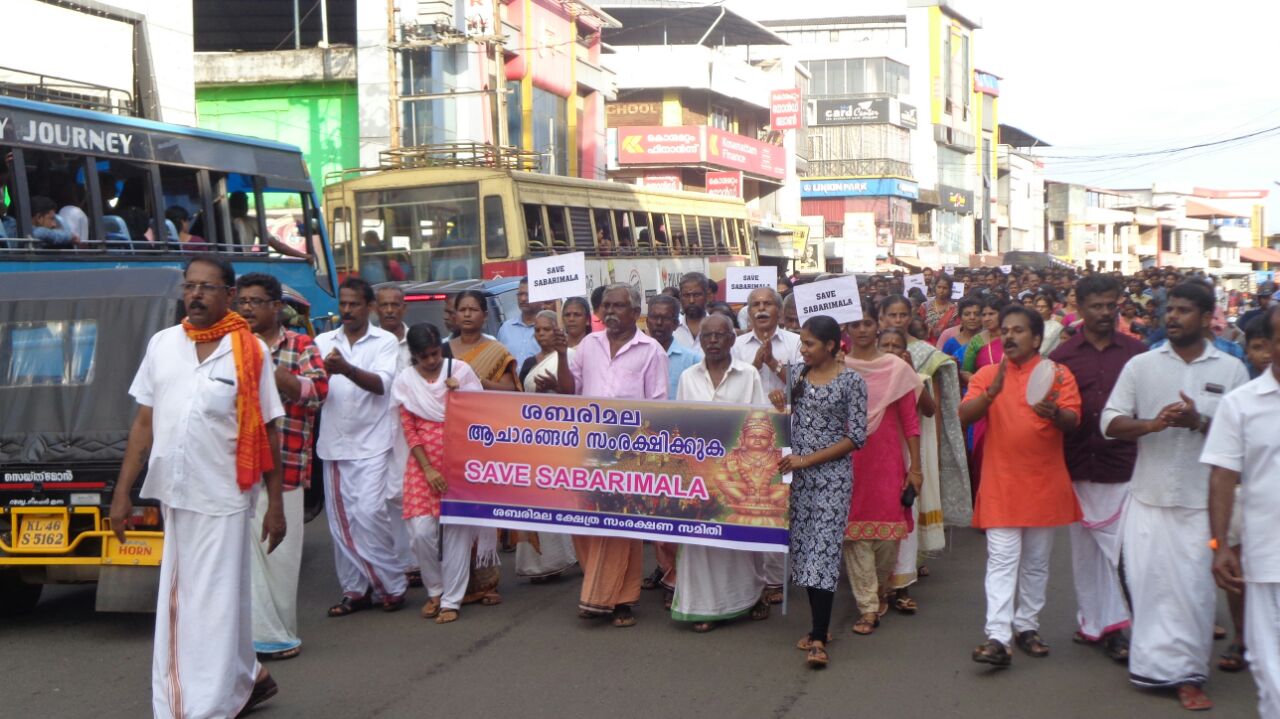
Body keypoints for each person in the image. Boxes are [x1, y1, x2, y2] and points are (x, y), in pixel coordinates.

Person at [109, 253, 286, 717]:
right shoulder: (163, 345)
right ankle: (249, 679)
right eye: (190, 286)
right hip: (175, 492)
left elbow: (268, 428)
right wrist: (122, 493)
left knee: (211, 605)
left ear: (228, 295)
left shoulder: (251, 352)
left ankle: (199, 708)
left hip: (227, 493)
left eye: (207, 287)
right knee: (194, 601)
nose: (196, 294)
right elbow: (144, 422)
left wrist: (276, 505)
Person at [1102, 281, 1250, 711]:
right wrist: (1152, 425)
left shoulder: (1231, 370)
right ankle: (1150, 668)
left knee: (1193, 592)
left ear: (1207, 318)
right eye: (1171, 309)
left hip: (1202, 504)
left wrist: (1198, 421)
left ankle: (1189, 675)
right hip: (1147, 497)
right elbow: (1109, 422)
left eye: (1184, 311)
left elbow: (1240, 439)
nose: (1173, 317)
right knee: (1148, 589)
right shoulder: (1142, 366)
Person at [961, 305, 1082, 667]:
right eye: (1004, 330)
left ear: (1036, 338)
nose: (1008, 336)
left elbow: (1074, 421)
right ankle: (998, 636)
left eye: (1017, 330)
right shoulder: (986, 373)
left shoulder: (1057, 375)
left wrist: (1055, 414)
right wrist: (989, 394)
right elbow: (964, 415)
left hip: (1044, 482)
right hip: (1001, 483)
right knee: (1002, 560)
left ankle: (1027, 626)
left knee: (1036, 562)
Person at [554, 283, 668, 627]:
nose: (610, 313)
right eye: (606, 306)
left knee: (621, 528)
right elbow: (568, 391)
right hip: (586, 450)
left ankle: (622, 601)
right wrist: (561, 355)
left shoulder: (651, 351)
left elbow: (659, 408)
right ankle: (598, 588)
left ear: (636, 312)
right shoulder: (588, 346)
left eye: (619, 306)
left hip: (628, 453)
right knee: (586, 525)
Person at [1049, 275, 1145, 663]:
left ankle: (1120, 627)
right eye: (1097, 306)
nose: (1106, 313)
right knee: (1086, 555)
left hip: (1123, 466)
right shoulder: (1062, 358)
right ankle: (1094, 622)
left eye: (1111, 305)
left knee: (1121, 553)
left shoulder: (1138, 354)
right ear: (1081, 307)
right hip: (1075, 465)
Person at [234, 273, 327, 662]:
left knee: (281, 557)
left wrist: (271, 374)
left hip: (286, 467)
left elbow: (319, 391)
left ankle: (279, 633)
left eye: (256, 302)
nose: (248, 309)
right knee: (245, 557)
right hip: (239, 467)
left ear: (277, 307)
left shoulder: (302, 344)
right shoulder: (232, 346)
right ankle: (254, 638)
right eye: (243, 302)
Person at [767, 315, 867, 669]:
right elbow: (788, 414)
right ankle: (816, 627)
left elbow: (856, 437)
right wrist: (780, 403)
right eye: (802, 343)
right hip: (800, 479)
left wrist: (806, 461)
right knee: (807, 552)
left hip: (832, 479)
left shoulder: (852, 381)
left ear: (831, 346)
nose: (803, 349)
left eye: (809, 344)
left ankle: (820, 637)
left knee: (823, 552)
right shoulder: (798, 375)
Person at [670, 314, 772, 632]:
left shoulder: (749, 375)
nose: (713, 340)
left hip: (738, 473)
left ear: (732, 339)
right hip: (699, 474)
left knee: (739, 542)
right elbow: (680, 424)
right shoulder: (688, 376)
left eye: (719, 335)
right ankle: (702, 608)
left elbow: (761, 420)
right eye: (707, 336)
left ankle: (749, 597)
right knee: (701, 542)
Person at [1202, 305, 1280, 719]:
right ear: (1269, 344)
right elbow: (1222, 476)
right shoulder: (1242, 405)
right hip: (1266, 560)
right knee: (1271, 676)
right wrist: (1221, 547)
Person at [315, 277, 409, 616]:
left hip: (373, 444)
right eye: (343, 304)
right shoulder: (323, 340)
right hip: (335, 444)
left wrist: (346, 369)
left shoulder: (384, 342)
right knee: (342, 524)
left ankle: (392, 584)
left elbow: (382, 385)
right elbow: (313, 387)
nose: (347, 310)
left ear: (368, 307)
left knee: (370, 516)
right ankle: (355, 590)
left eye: (354, 304)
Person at [393, 323, 492, 624]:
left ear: (442, 348)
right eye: (424, 357)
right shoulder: (406, 381)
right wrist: (427, 468)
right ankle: (434, 589)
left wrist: (459, 395)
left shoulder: (459, 371)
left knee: (456, 533)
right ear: (414, 356)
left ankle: (452, 599)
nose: (432, 361)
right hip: (422, 463)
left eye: (435, 354)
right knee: (421, 532)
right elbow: (408, 428)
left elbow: (481, 414)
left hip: (460, 461)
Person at [842, 307, 922, 633]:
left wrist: (915, 468)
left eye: (868, 323)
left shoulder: (896, 368)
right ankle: (868, 607)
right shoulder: (836, 367)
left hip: (887, 461)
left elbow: (911, 421)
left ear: (878, 326)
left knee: (888, 535)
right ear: (846, 328)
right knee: (854, 534)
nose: (862, 329)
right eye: (855, 324)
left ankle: (881, 589)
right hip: (847, 460)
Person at [880, 295, 971, 565]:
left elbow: (934, 408)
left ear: (911, 316)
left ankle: (910, 564)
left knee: (911, 500)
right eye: (891, 315)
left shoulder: (926, 354)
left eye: (902, 315)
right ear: (881, 318)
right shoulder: (869, 357)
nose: (898, 320)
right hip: (880, 442)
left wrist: (938, 447)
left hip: (915, 436)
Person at [731, 287, 801, 604]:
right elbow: (731, 386)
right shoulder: (736, 346)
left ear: (779, 311)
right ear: (747, 312)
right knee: (752, 504)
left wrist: (772, 364)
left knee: (779, 504)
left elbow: (803, 385)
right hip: (749, 437)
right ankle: (752, 578)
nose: (761, 310)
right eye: (755, 305)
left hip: (787, 433)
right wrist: (754, 369)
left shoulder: (795, 342)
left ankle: (775, 579)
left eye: (767, 304)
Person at [375, 285, 422, 589]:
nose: (390, 310)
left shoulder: (416, 343)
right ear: (375, 309)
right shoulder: (372, 343)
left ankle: (417, 562)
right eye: (384, 306)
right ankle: (397, 561)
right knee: (384, 497)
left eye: (395, 305)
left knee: (410, 493)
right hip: (375, 430)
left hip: (412, 431)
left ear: (404, 308)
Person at [448, 290, 519, 391]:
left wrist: (477, 380)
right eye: (462, 310)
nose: (467, 314)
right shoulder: (442, 349)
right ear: (455, 315)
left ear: (485, 316)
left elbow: (509, 390)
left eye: (473, 309)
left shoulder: (497, 352)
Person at [646, 293, 703, 405]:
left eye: (665, 318)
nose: (659, 323)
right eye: (654, 317)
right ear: (647, 321)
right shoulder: (637, 356)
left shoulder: (693, 360)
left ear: (676, 324)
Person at [498, 279, 542, 368]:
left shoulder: (549, 329)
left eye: (528, 294)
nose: (523, 299)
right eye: (520, 294)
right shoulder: (506, 328)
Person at [940, 296, 983, 373]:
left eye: (976, 314)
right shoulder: (951, 344)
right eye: (967, 314)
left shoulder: (988, 340)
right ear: (960, 318)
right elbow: (942, 370)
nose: (972, 317)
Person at [674, 272, 712, 349]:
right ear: (680, 297)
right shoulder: (671, 329)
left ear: (707, 296)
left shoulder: (720, 328)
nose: (691, 301)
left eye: (696, 295)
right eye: (687, 295)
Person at [918, 273, 959, 344]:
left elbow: (957, 331)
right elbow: (919, 328)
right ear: (935, 287)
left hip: (947, 346)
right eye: (939, 287)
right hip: (928, 346)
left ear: (949, 290)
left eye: (945, 288)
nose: (941, 291)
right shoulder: (925, 306)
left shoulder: (955, 310)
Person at [1245, 315, 1274, 380]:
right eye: (1258, 348)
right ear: (1248, 351)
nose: (1266, 355)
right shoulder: (1240, 377)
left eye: (1272, 346)